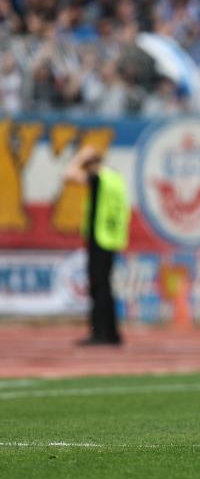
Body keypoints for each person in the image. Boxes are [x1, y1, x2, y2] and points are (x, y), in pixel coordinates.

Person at [64, 146, 131, 346]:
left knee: (98, 288)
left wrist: (79, 156)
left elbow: (68, 175)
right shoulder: (114, 177)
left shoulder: (98, 178)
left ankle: (100, 333)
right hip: (112, 238)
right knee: (106, 288)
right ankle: (112, 333)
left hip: (100, 237)